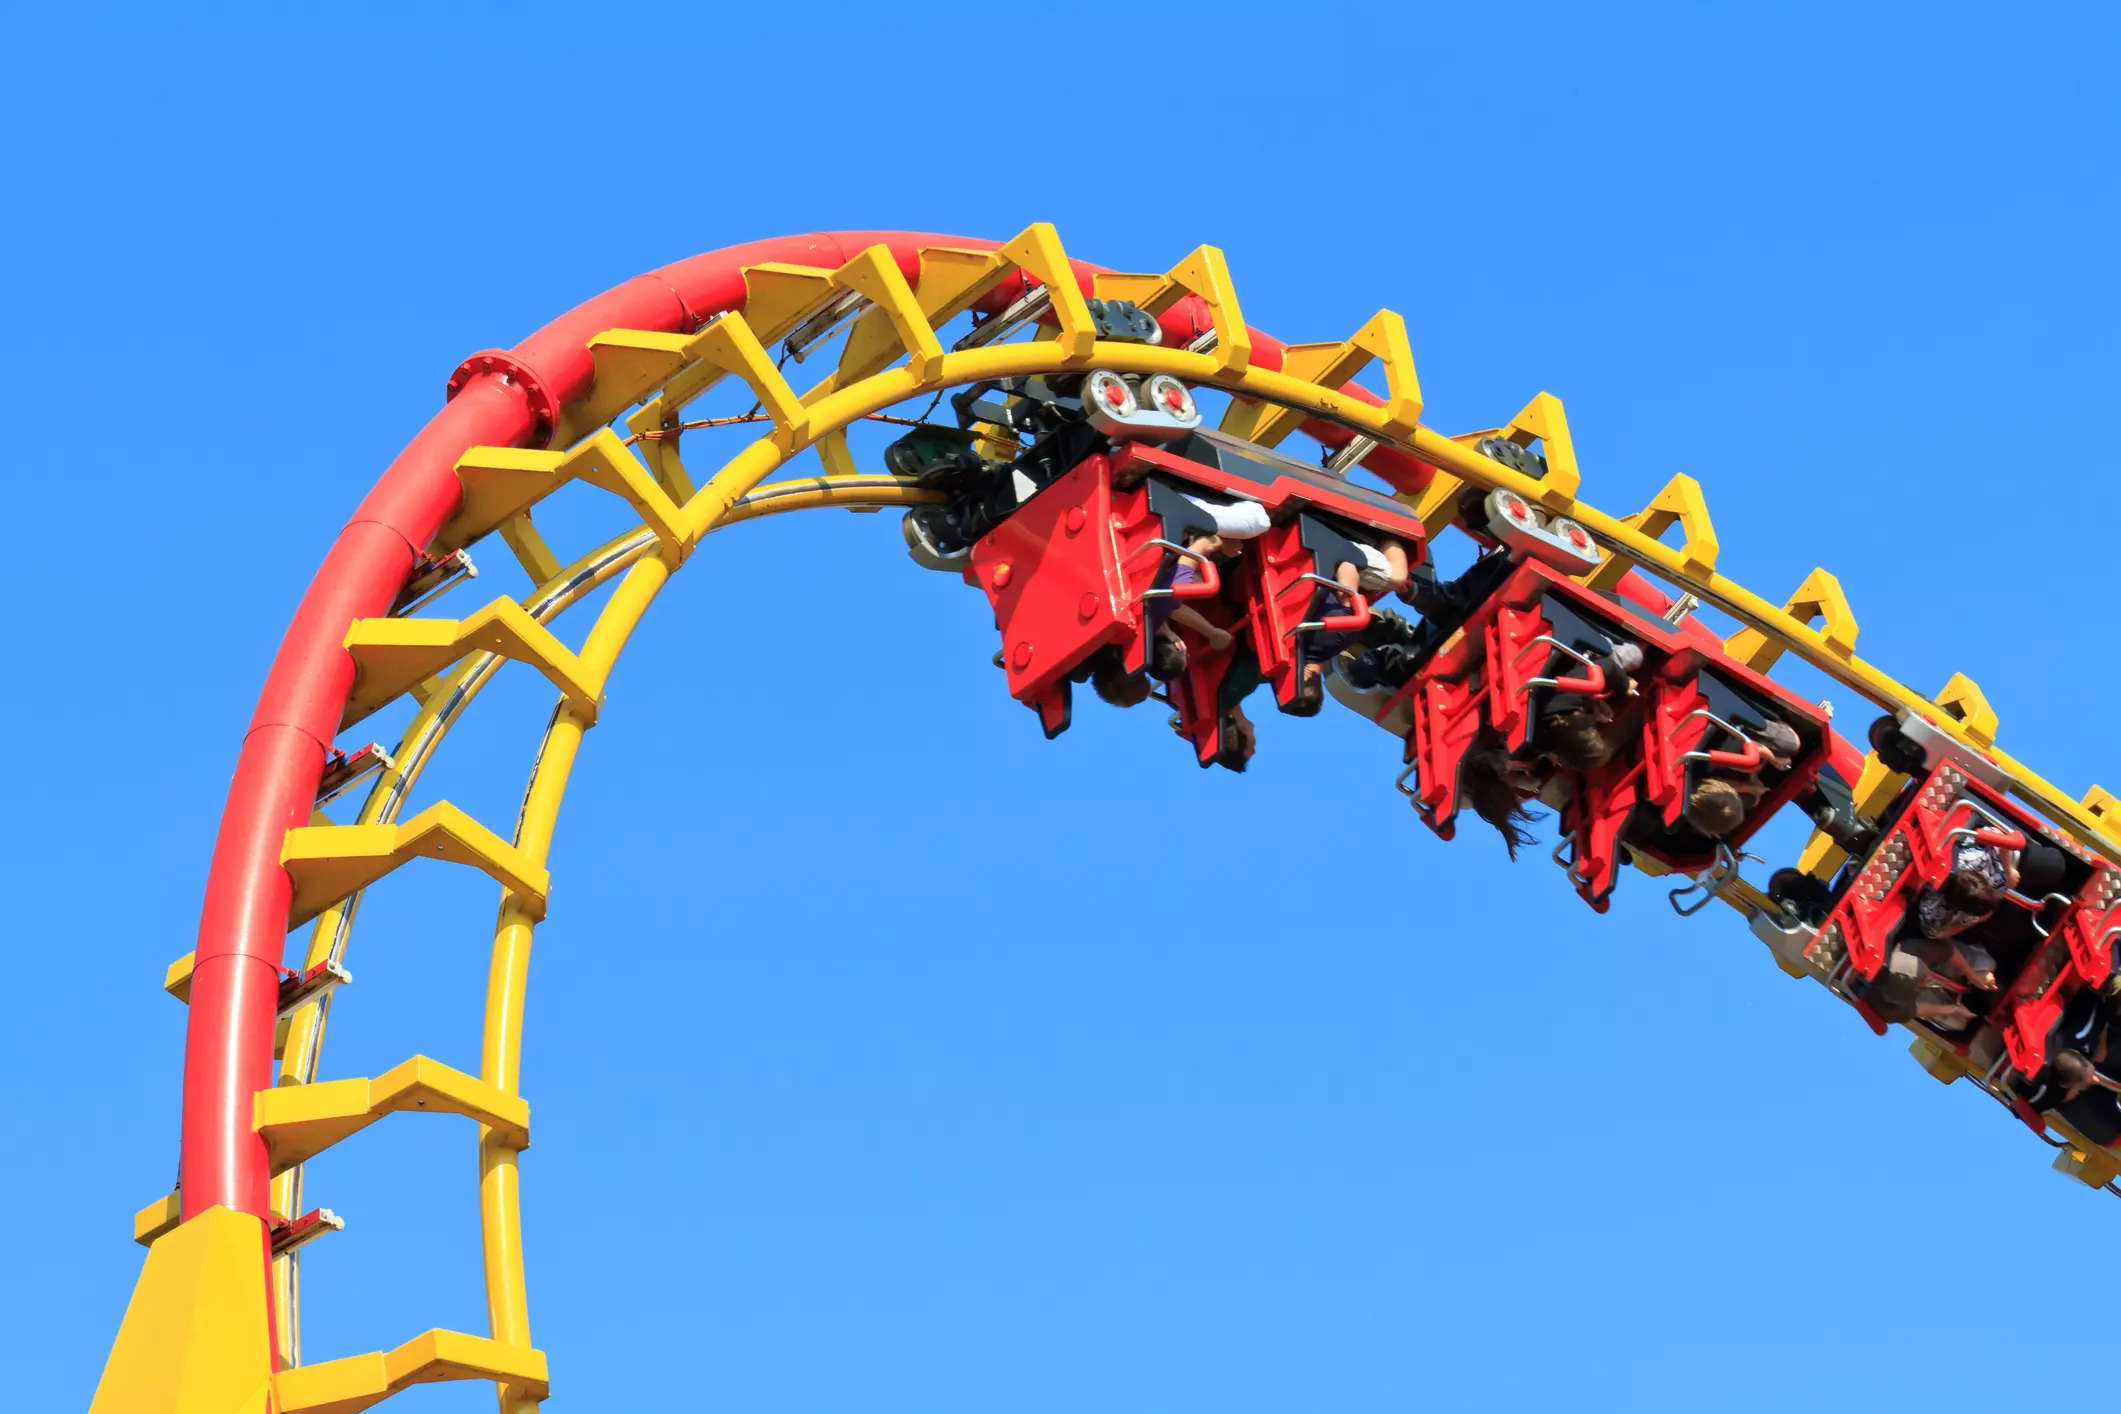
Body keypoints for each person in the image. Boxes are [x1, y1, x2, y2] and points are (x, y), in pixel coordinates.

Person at [1457, 740, 1546, 859]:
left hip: (1482, 746)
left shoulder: (1493, 764)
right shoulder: (1465, 801)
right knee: (1531, 784)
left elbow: (1519, 766)